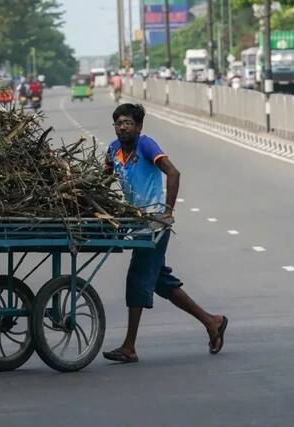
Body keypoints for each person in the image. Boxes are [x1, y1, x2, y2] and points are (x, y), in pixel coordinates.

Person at [102, 103, 228, 363]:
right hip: (135, 223)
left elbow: (173, 172)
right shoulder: (113, 150)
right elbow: (104, 180)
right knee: (160, 281)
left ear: (138, 127)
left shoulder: (146, 145)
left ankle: (129, 346)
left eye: (127, 123)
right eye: (118, 123)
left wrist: (167, 211)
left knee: (137, 278)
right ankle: (212, 321)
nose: (122, 127)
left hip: (153, 225)